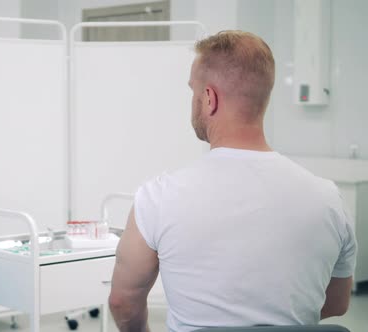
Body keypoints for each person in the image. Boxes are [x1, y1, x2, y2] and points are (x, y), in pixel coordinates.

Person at [108, 30, 357, 332]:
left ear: (209, 98)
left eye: (194, 92)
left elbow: (123, 302)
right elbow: (337, 303)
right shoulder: (328, 199)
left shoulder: (159, 197)